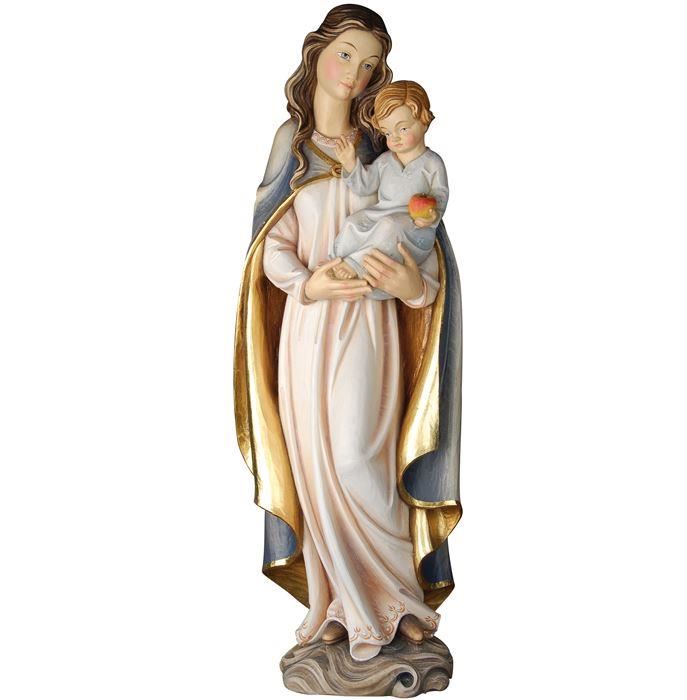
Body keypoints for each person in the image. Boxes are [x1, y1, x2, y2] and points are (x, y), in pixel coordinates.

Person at [234, 5, 463, 663]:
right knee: (315, 466)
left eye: (369, 64)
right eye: (345, 55)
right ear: (317, 53)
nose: (355, 74)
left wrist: (411, 287)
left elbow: (425, 238)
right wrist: (307, 284)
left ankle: (398, 599)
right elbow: (271, 244)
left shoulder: (384, 147)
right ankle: (339, 602)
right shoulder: (291, 145)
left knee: (361, 460)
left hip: (370, 325)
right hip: (307, 328)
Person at [330, 81, 449, 302]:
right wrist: (350, 164)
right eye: (387, 132)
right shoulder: (385, 161)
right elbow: (365, 185)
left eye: (402, 129)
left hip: (413, 227)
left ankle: (357, 266)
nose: (394, 138)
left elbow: (440, 194)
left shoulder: (432, 163)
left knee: (389, 227)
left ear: (424, 121)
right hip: (382, 213)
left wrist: (431, 216)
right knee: (355, 222)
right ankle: (338, 260)